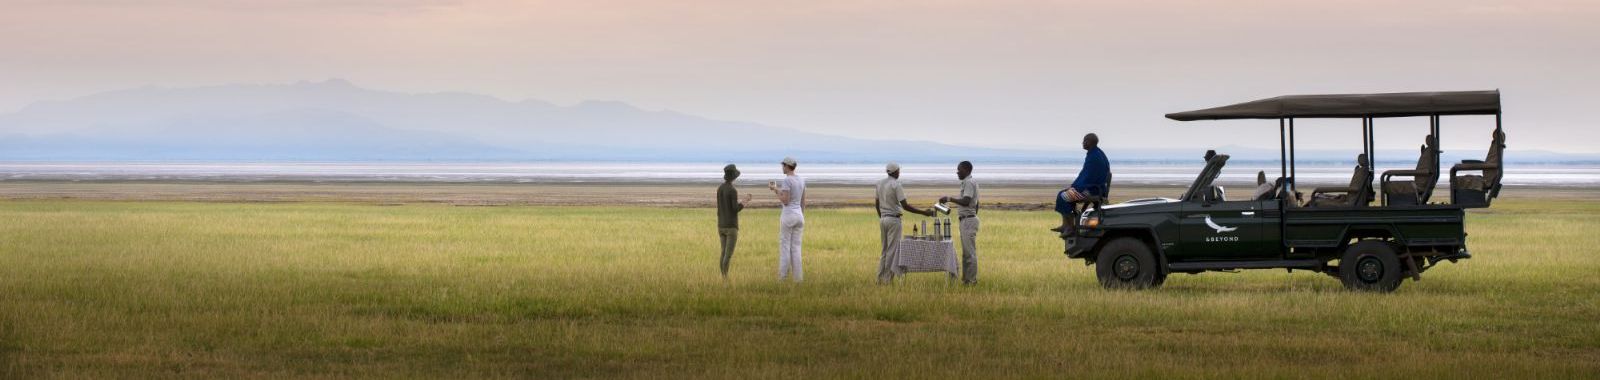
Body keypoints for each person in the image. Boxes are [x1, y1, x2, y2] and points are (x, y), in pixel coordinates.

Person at [876, 162, 937, 284]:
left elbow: (876, 203)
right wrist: (924, 213)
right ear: (895, 172)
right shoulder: (896, 185)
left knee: (884, 251)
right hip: (893, 220)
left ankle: (879, 279)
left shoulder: (880, 183)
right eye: (899, 171)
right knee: (892, 251)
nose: (899, 172)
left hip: (883, 219)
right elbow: (905, 206)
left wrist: (882, 217)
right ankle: (887, 280)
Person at [1053, 133, 1110, 232]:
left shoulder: (1093, 157)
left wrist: (1075, 186)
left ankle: (1069, 226)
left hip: (1092, 190)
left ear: (1090, 142)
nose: (1082, 143)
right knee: (1066, 192)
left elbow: (1088, 177)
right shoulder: (1098, 153)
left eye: (1084, 141)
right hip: (1097, 188)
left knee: (1062, 196)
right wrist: (1075, 186)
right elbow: (1086, 175)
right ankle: (1066, 225)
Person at [939, 161, 980, 285]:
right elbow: (977, 203)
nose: (957, 172)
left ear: (966, 170)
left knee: (970, 254)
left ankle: (971, 281)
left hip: (968, 220)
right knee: (967, 253)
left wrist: (949, 199)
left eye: (959, 170)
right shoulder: (970, 182)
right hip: (967, 219)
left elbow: (966, 201)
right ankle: (967, 280)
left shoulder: (968, 182)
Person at [769, 157, 806, 283]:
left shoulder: (787, 181)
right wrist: (776, 190)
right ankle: (798, 279)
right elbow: (802, 201)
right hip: (799, 216)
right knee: (796, 248)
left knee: (785, 247)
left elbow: (785, 200)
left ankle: (782, 278)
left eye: (783, 165)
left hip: (788, 215)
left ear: (787, 166)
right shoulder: (801, 180)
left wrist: (776, 192)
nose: (782, 167)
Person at [716, 164, 752, 280]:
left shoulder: (720, 188)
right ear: (734, 177)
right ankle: (725, 278)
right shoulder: (732, 190)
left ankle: (723, 277)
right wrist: (745, 201)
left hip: (721, 225)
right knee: (728, 254)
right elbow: (735, 209)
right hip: (731, 226)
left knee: (723, 252)